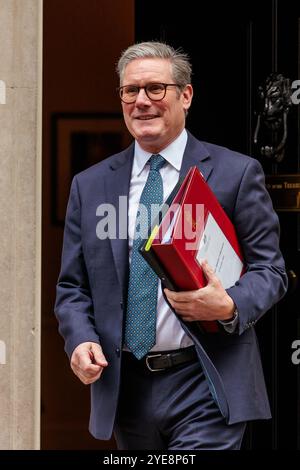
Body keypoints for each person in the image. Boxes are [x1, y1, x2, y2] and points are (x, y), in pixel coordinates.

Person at [55, 41, 288, 450]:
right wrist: (80, 339)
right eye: (131, 91)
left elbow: (271, 272)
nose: (142, 101)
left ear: (186, 95)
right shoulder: (90, 186)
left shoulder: (236, 174)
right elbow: (72, 288)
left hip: (206, 380)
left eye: (155, 89)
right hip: (126, 387)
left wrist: (230, 305)